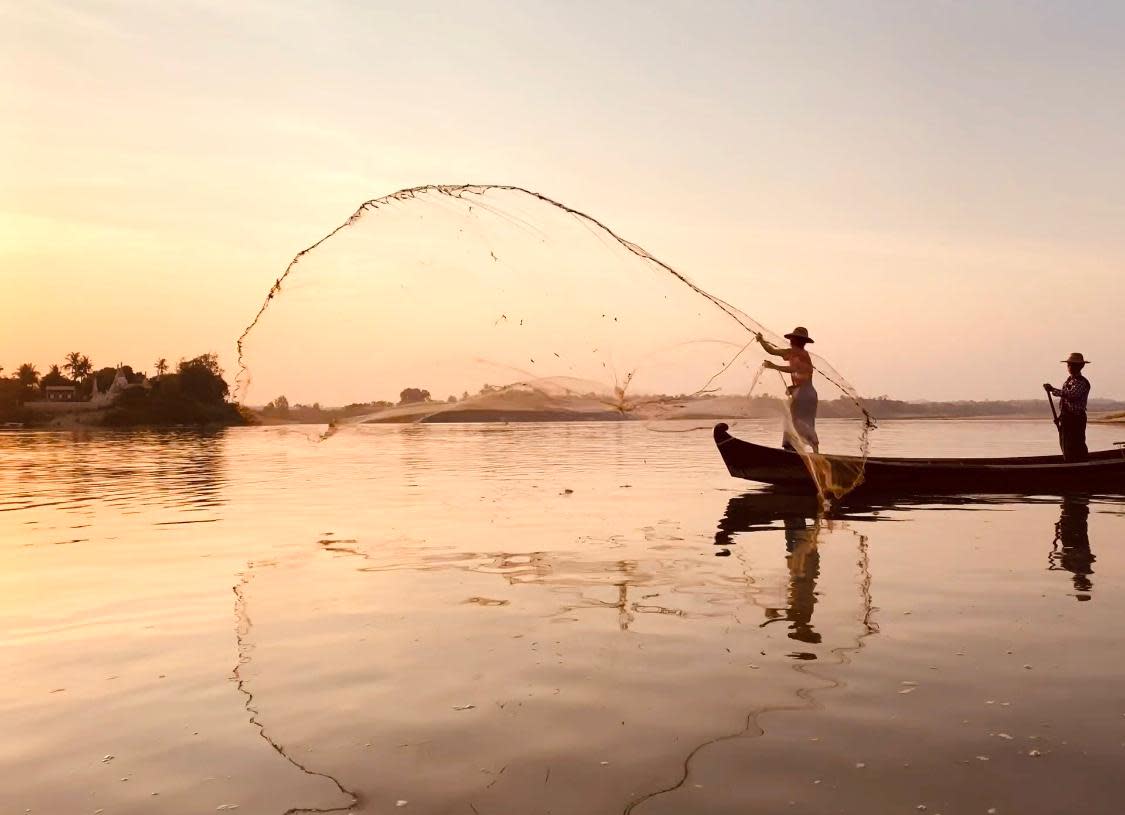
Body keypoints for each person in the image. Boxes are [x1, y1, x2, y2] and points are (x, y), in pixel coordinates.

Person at [756, 326, 819, 453]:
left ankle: (792, 450)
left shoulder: (798, 353)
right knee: (803, 422)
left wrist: (774, 366)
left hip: (803, 395)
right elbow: (772, 351)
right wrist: (761, 341)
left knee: (794, 420)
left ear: (793, 340)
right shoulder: (799, 353)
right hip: (809, 394)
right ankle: (813, 452)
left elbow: (794, 369)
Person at [1044, 352, 1091, 463]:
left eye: (1073, 365)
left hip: (1076, 418)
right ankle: (1070, 463)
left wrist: (1052, 390)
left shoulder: (1081, 382)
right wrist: (1060, 418)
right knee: (1065, 443)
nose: (1070, 367)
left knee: (1076, 443)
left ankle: (1080, 465)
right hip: (1067, 417)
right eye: (1069, 365)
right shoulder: (1068, 381)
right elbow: (1065, 400)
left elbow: (1072, 395)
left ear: (1081, 366)